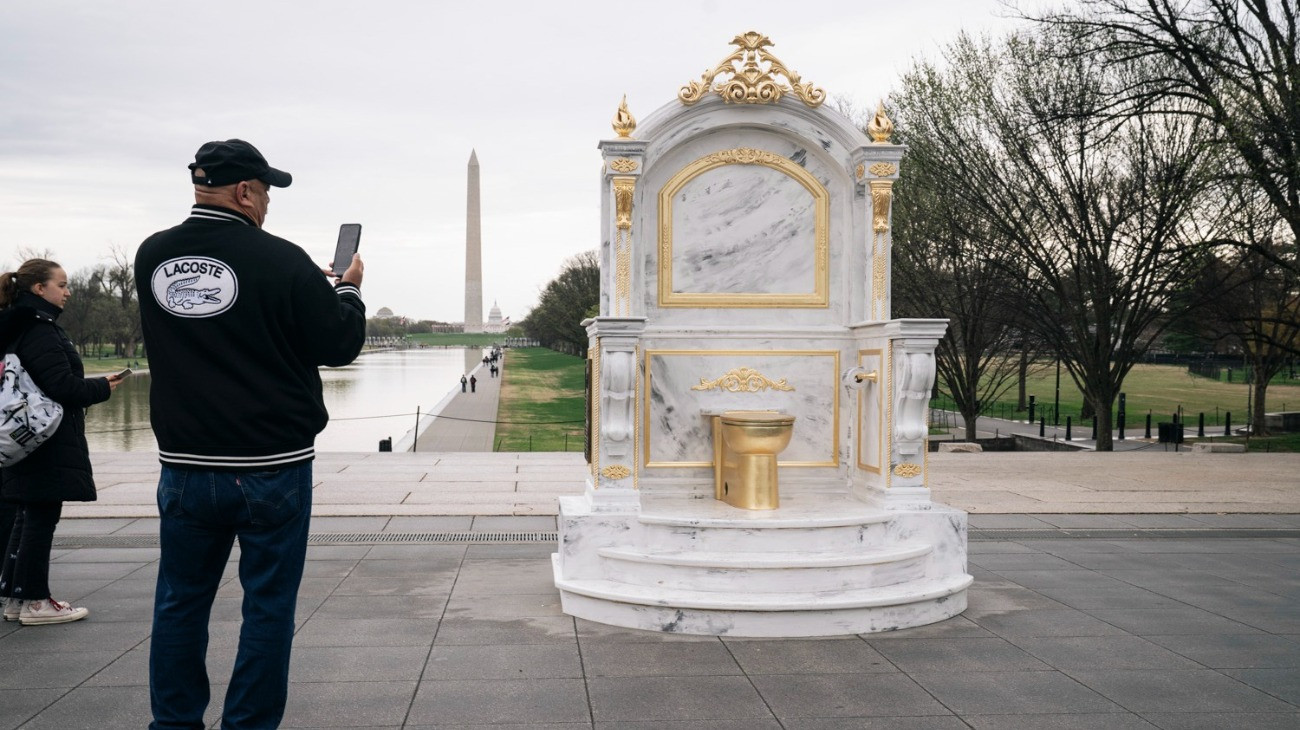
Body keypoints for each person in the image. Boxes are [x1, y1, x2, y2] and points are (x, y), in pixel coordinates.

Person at [135, 139, 365, 729]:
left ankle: (174, 722)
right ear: (244, 191)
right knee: (267, 608)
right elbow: (337, 345)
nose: (267, 205)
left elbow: (210, 318)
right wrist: (344, 289)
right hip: (271, 465)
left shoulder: (151, 256)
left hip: (185, 464)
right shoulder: (282, 260)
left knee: (179, 603)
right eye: (265, 192)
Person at [0, 259, 124, 625]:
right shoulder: (40, 330)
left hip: (23, 437)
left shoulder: (16, 327)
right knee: (40, 517)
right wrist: (103, 387)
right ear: (39, 288)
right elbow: (62, 388)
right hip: (46, 439)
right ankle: (37, 602)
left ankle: (15, 597)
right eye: (62, 284)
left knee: (27, 515)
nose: (68, 291)